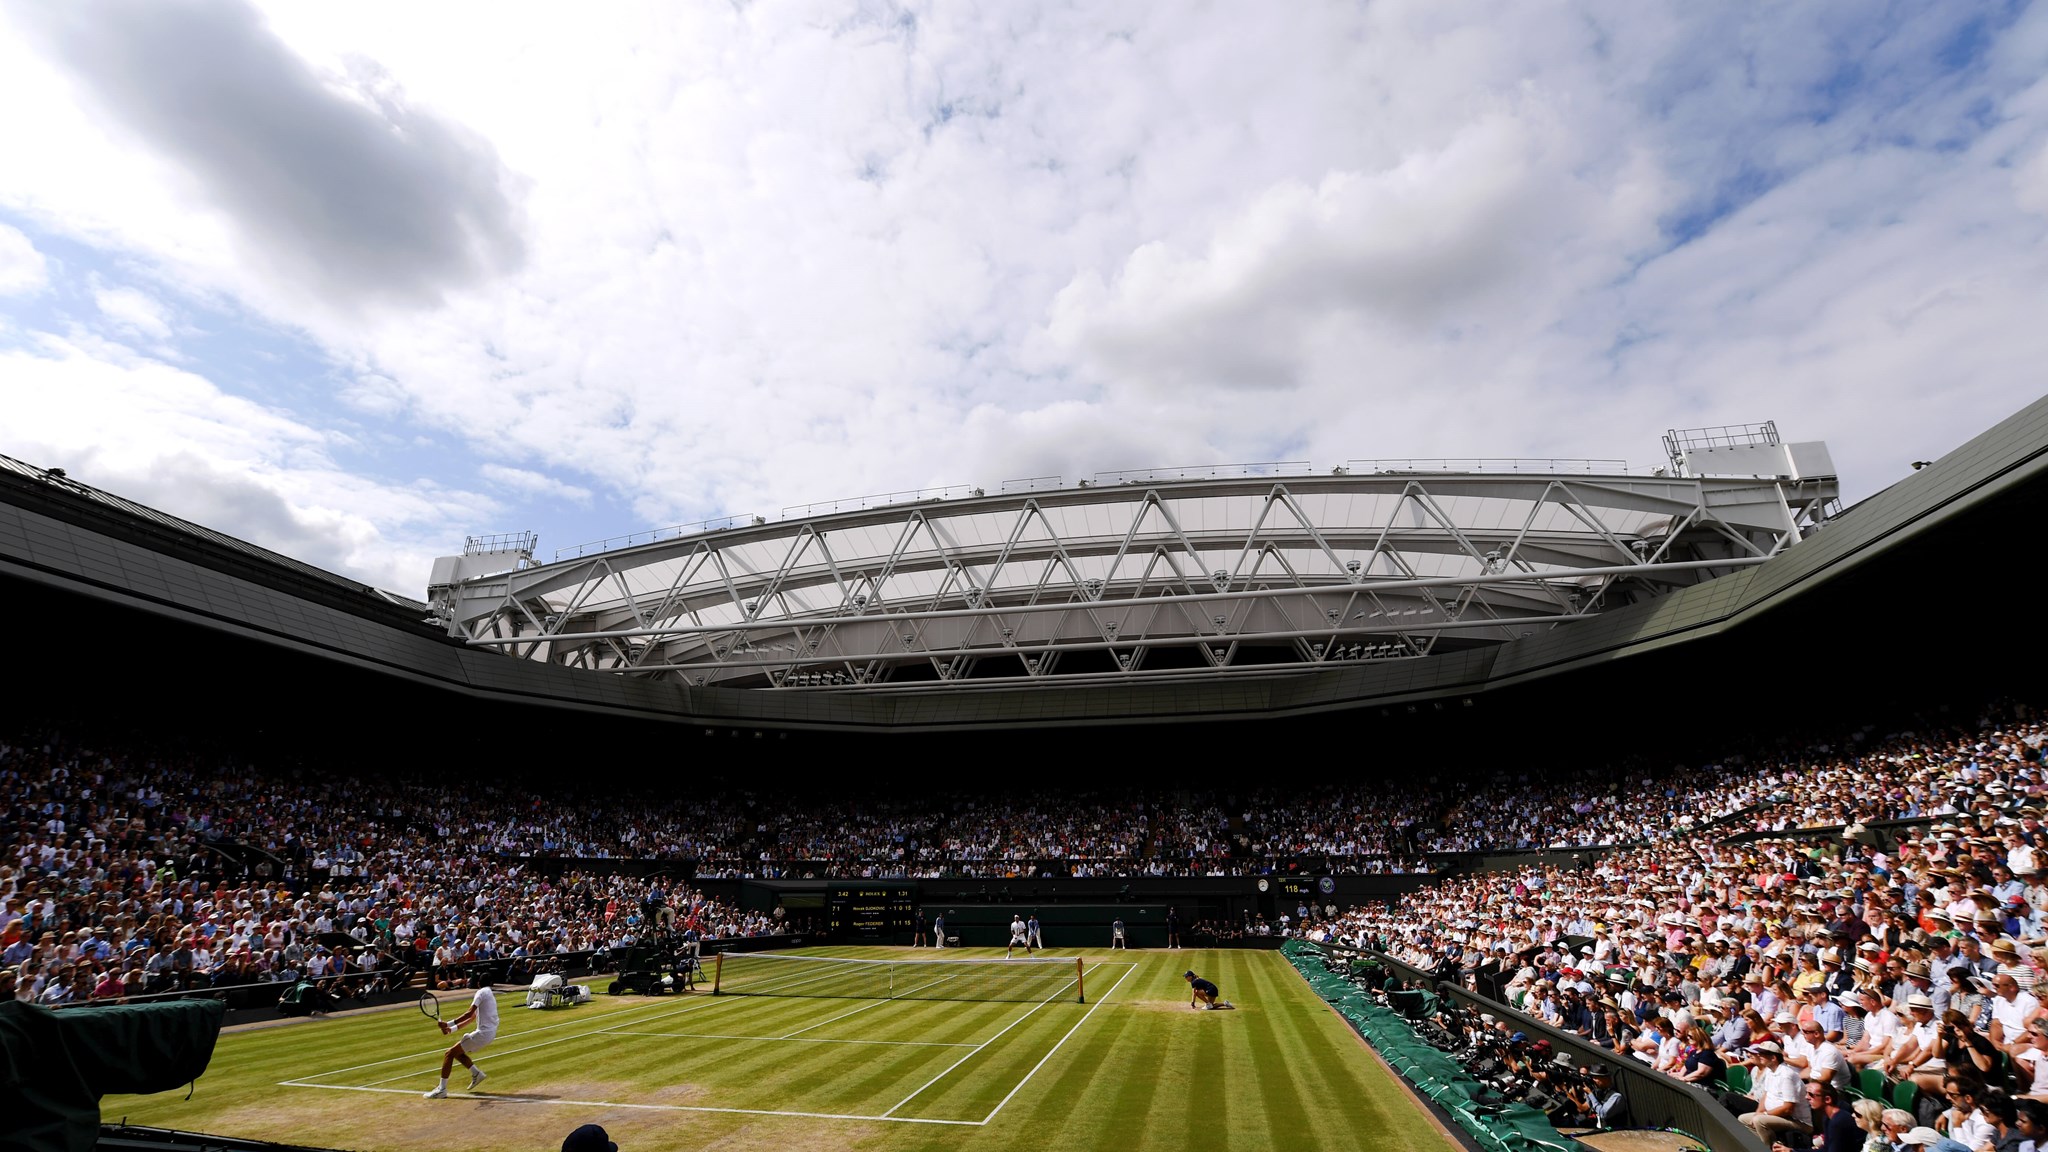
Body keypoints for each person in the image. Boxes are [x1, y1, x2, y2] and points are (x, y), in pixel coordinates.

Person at [423, 984, 497, 1098]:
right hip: (491, 1034)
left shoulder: (480, 993)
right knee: (457, 1052)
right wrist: (451, 1029)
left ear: (477, 983)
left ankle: (441, 1090)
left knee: (449, 1053)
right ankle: (476, 1074)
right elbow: (472, 1018)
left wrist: (448, 1024)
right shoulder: (489, 993)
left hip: (483, 1034)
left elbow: (469, 1013)